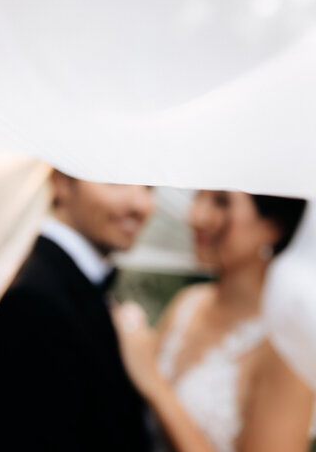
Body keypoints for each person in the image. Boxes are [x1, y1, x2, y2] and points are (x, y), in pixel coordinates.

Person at [113, 190, 314, 452]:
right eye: (198, 197)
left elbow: (148, 377)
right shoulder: (187, 302)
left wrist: (153, 382)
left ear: (273, 227)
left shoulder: (288, 347)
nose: (196, 216)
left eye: (222, 201)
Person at [0, 169, 155, 452]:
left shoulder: (74, 283)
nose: (141, 204)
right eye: (118, 180)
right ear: (61, 182)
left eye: (149, 186)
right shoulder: (31, 301)